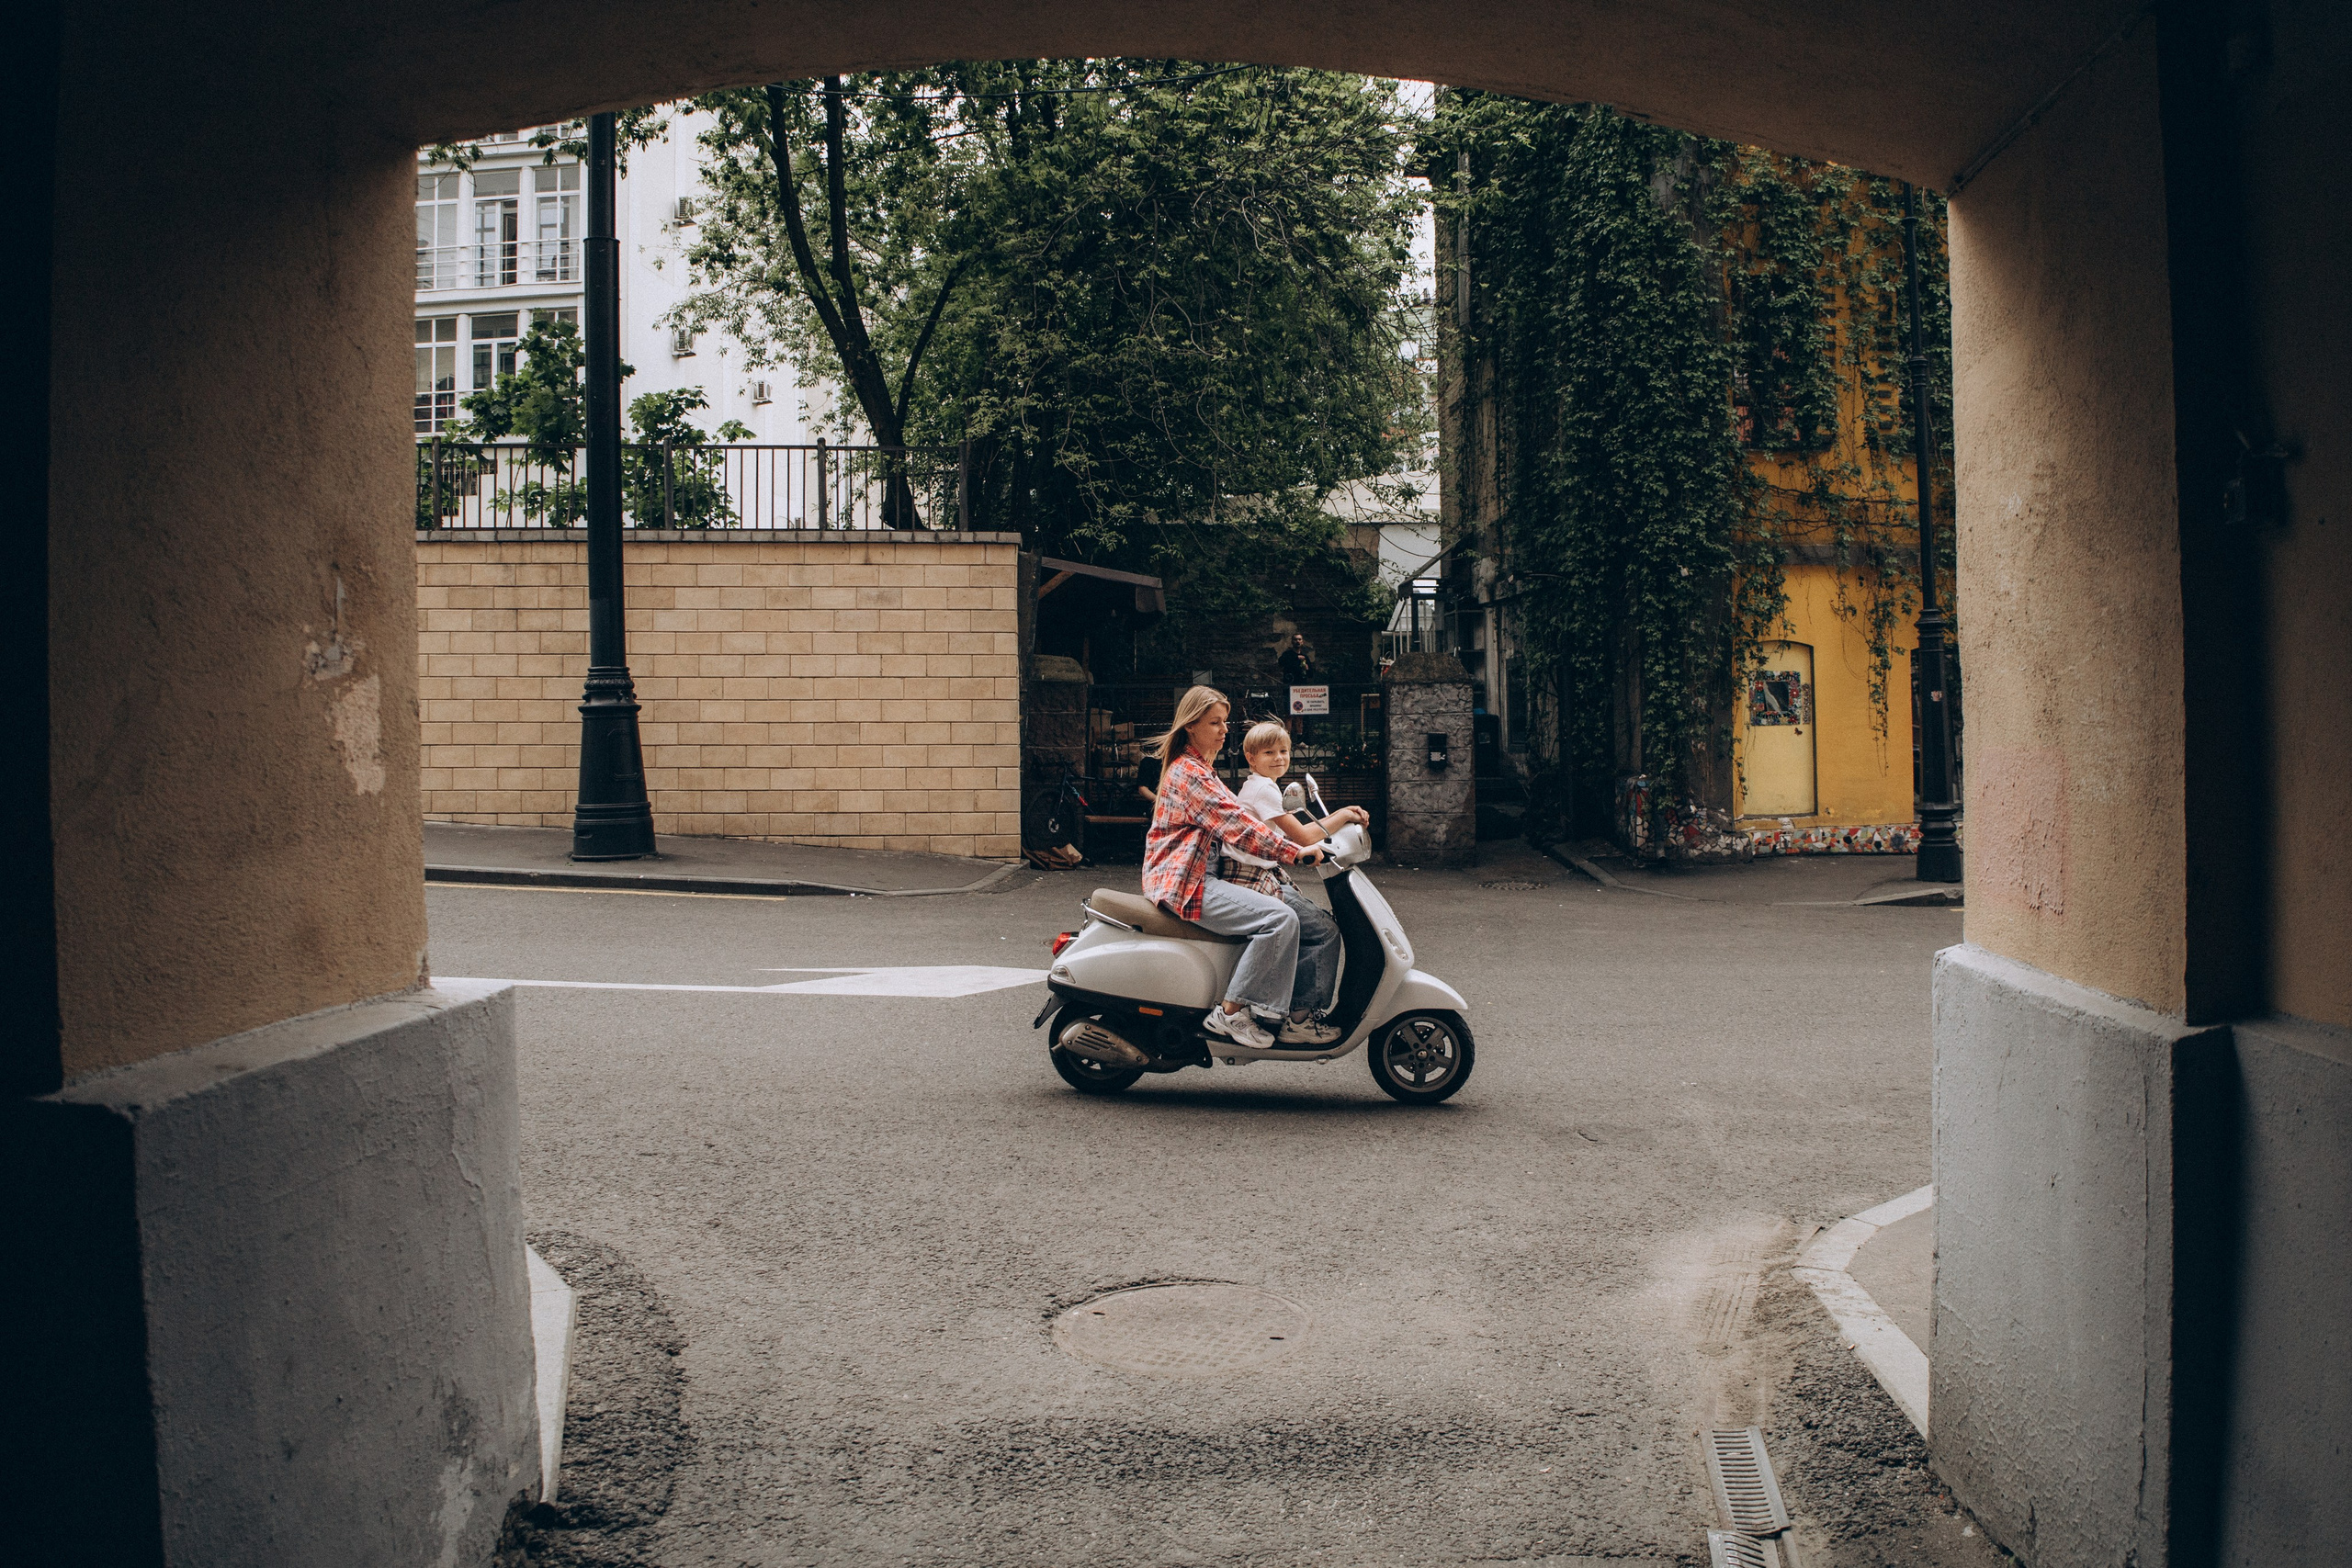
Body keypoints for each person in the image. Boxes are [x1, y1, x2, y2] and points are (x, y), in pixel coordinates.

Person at [1141, 686, 1339, 1050]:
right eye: (1214, 723)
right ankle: (1230, 1013)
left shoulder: (1203, 770)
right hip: (1188, 881)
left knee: (1295, 918)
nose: (1224, 730)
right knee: (1279, 920)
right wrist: (1294, 852)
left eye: (1224, 722)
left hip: (1203, 874)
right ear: (1190, 727)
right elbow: (1239, 826)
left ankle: (1276, 1015)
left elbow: (1239, 827)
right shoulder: (1191, 774)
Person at [1218, 720, 1370, 1045]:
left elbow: (1293, 830)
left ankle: (1285, 1010)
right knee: (1325, 931)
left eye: (1284, 751)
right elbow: (1301, 836)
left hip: (1260, 875)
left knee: (1313, 924)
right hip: (1251, 880)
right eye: (1269, 752)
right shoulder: (1262, 788)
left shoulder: (1262, 787)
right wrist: (1343, 815)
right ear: (1250, 757)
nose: (1278, 757)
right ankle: (1299, 1020)